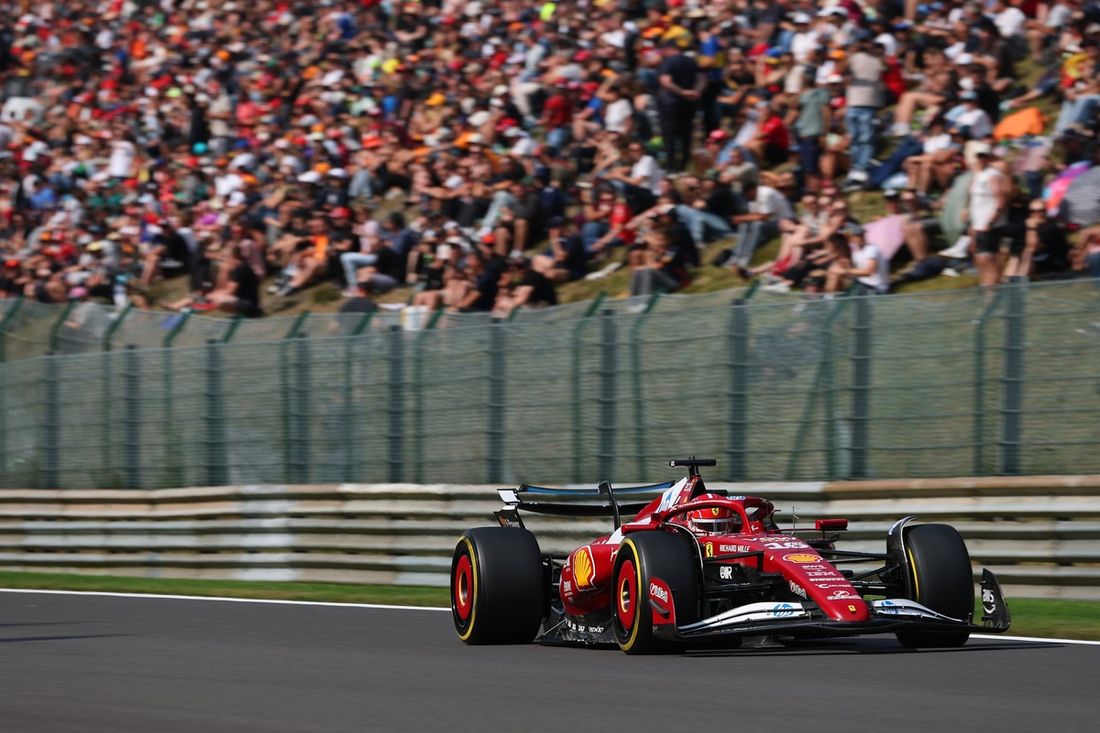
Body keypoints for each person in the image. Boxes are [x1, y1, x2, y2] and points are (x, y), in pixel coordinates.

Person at [843, 32, 887, 188]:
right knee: (854, 138)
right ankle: (855, 169)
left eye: (866, 41)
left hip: (869, 103)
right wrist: (850, 52)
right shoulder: (852, 57)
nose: (864, 44)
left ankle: (862, 168)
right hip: (853, 102)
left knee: (866, 138)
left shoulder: (877, 60)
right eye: (861, 41)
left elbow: (884, 73)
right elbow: (840, 70)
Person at [966, 145, 1009, 288]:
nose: (981, 159)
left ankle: (989, 300)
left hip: (989, 227)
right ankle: (987, 297)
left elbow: (1001, 200)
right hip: (979, 225)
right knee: (982, 262)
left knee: (987, 261)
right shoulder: (979, 174)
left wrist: (990, 223)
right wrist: (973, 224)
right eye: (979, 156)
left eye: (984, 156)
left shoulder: (993, 175)